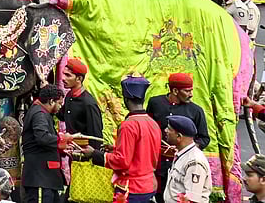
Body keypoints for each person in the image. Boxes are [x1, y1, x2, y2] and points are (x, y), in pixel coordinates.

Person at [81, 76, 160, 203]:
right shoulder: (153, 123)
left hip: (132, 188)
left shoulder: (128, 125)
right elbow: (144, 153)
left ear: (126, 99)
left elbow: (122, 161)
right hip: (149, 185)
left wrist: (95, 154)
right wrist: (116, 149)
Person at [147, 73, 209, 202]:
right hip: (157, 164)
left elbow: (204, 138)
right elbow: (149, 131)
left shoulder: (196, 111)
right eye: (187, 91)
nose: (191, 94)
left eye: (191, 90)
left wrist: (184, 150)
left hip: (182, 166)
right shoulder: (155, 103)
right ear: (174, 90)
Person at [22, 86, 70, 203]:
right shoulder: (39, 114)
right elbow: (42, 137)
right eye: (59, 103)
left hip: (45, 178)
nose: (60, 107)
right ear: (51, 101)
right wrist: (62, 139)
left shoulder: (41, 112)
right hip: (40, 178)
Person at [161, 116, 210, 203]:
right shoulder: (182, 154)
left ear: (179, 136)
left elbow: (192, 200)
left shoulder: (194, 162)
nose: (165, 131)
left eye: (169, 129)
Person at [59, 58, 103, 141]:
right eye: (63, 74)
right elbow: (62, 116)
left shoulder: (88, 103)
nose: (63, 78)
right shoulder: (69, 95)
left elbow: (96, 136)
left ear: (79, 79)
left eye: (68, 75)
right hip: (71, 149)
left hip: (84, 151)